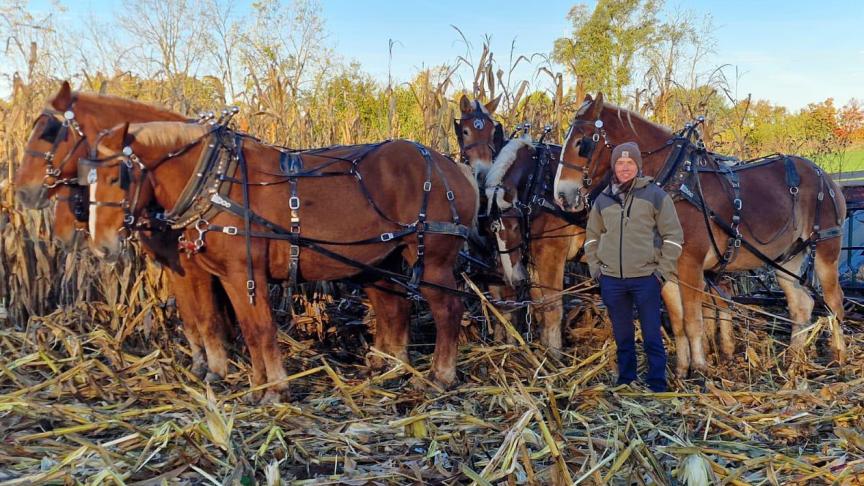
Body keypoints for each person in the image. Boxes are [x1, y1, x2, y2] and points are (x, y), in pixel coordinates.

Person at [584, 141, 683, 392]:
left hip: (646, 278)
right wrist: (597, 269)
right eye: (620, 163)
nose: (625, 168)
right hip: (612, 280)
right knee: (623, 335)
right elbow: (592, 237)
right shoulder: (602, 199)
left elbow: (673, 236)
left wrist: (661, 273)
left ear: (638, 166)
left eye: (630, 163)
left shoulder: (655, 196)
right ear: (614, 167)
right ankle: (626, 379)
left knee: (652, 334)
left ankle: (656, 382)